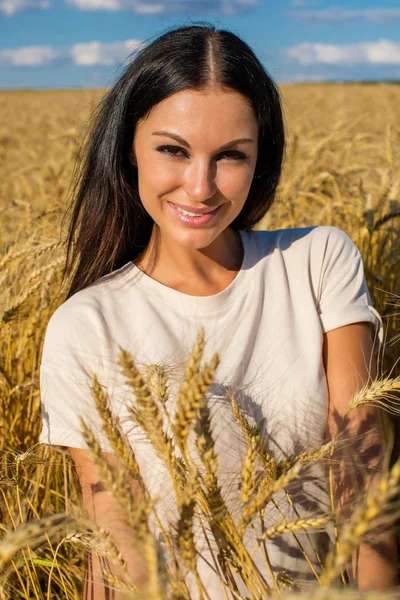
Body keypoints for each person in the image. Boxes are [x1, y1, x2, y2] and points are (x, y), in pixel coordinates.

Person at [39, 22, 398, 599]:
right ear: (129, 147)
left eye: (231, 155)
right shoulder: (88, 325)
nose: (201, 188)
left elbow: (360, 473)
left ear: (262, 158)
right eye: (172, 150)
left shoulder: (317, 262)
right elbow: (115, 544)